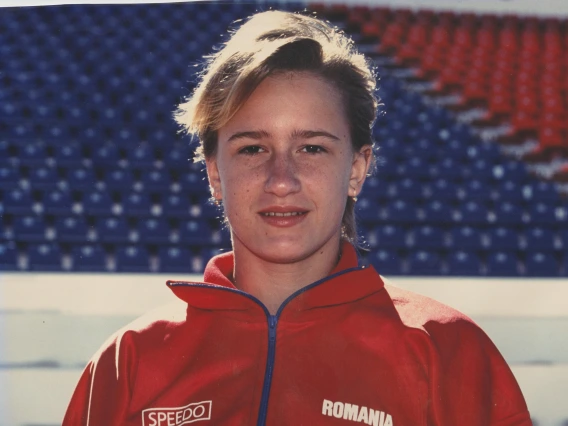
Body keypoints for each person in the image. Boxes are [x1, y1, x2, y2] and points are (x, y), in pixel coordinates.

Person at [63, 10, 532, 426]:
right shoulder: (129, 360)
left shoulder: (449, 352)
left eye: (312, 147)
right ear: (214, 175)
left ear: (355, 169)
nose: (281, 179)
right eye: (252, 148)